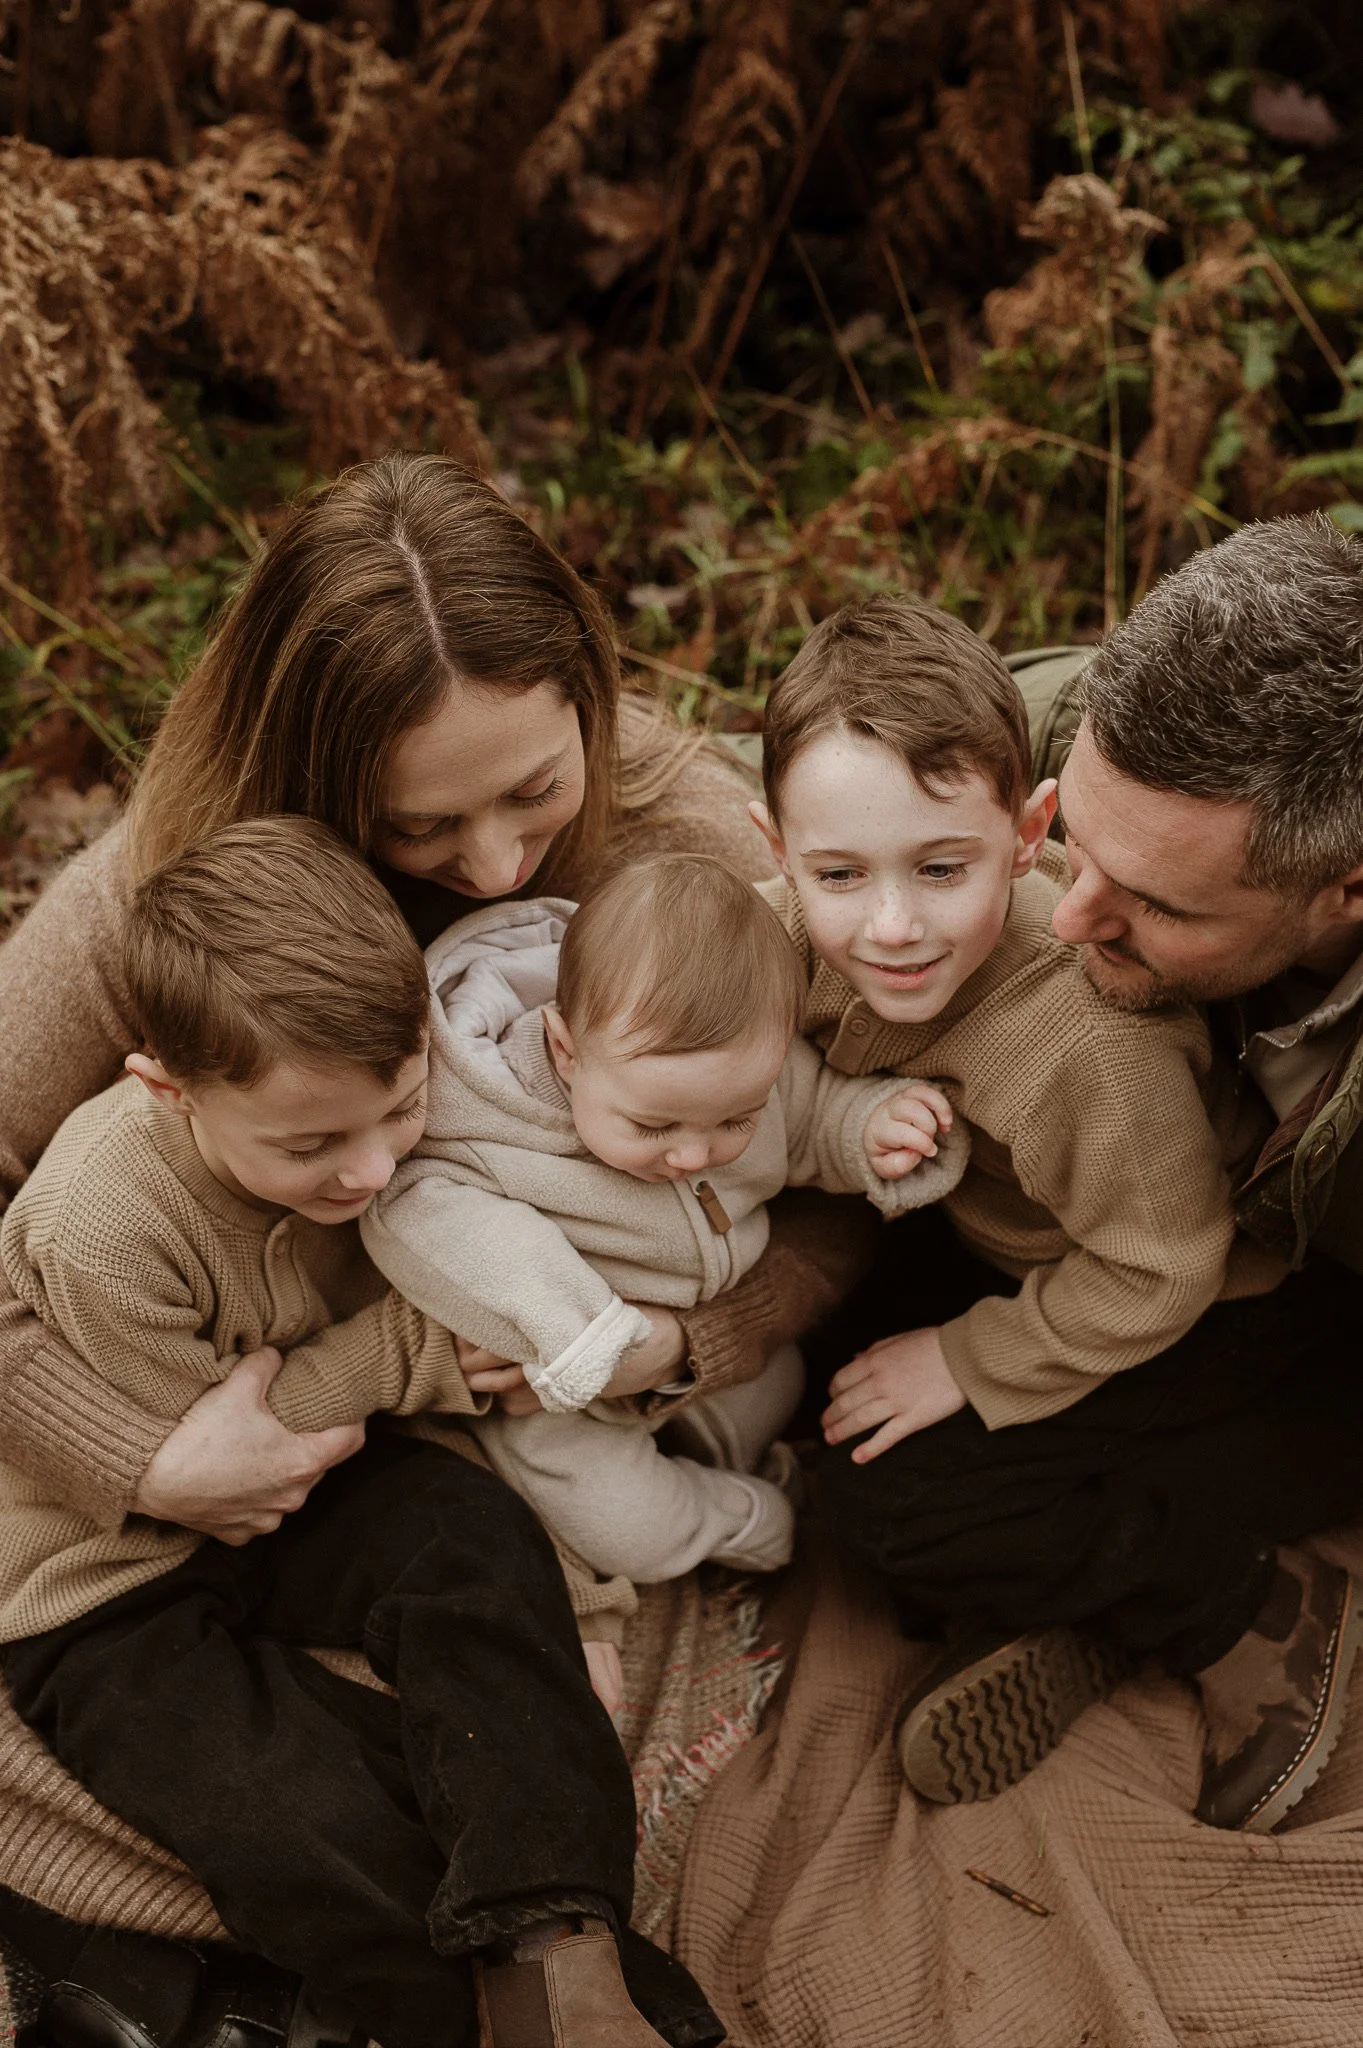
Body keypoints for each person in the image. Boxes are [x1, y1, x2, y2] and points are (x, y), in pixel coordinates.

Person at [0, 456, 868, 2048]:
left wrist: (706, 1338)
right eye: (420, 825)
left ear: (593, 711)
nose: (491, 866)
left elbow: (836, 1143)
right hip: (142, 1492)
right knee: (257, 1792)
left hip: (500, 1424)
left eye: (533, 793)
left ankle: (557, 1949)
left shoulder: (674, 844)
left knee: (481, 1609)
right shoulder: (162, 918)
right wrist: (139, 1455)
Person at [0, 814, 707, 2048]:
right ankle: (484, 2016)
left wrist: (569, 1592)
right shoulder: (99, 1223)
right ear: (165, 1084)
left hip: (312, 1485)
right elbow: (237, 1441)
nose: (373, 1169)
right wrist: (421, 1351)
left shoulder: (374, 1107)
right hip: (103, 1570)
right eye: (310, 1145)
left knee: (474, 1544)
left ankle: (557, 1938)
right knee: (275, 1796)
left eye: (398, 1108)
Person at [801, 524, 1363, 1836]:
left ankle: (1247, 1617)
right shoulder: (1065, 729)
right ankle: (1073, 1585)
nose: (1064, 914)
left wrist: (980, 1367)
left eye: (1154, 907)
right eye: (1065, 833)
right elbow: (788, 795)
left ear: (1344, 890)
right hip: (1081, 1226)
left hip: (1287, 1301)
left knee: (894, 1494)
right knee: (828, 1341)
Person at [361, 853, 965, 1622]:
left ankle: (749, 1462)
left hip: (704, 1350)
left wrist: (866, 1128)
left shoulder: (746, 1069)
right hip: (563, 1405)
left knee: (780, 1385)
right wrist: (583, 1334)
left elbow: (811, 1117)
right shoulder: (481, 1127)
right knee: (625, 1526)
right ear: (565, 1050)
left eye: (734, 1121)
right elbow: (436, 1223)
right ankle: (745, 1521)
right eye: (652, 1125)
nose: (691, 1155)